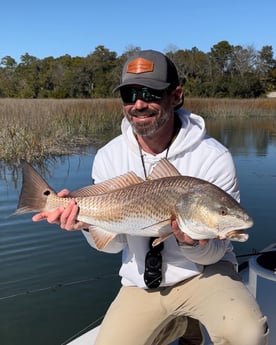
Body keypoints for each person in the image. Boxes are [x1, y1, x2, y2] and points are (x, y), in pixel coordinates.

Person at [33, 50, 268, 345]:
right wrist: (86, 225)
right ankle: (182, 329)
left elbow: (217, 251)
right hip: (140, 281)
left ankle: (187, 326)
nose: (139, 104)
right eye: (130, 94)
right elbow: (110, 245)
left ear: (176, 95)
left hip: (205, 274)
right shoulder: (109, 156)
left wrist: (190, 241)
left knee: (248, 335)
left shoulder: (214, 157)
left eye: (151, 93)